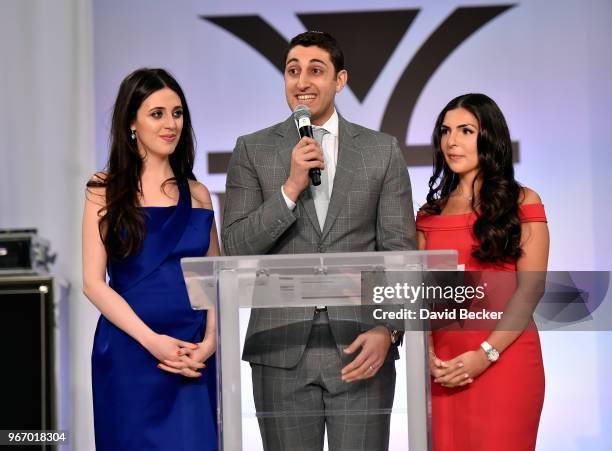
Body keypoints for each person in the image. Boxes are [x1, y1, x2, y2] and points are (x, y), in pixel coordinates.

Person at [222, 31, 415, 451]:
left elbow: (400, 253)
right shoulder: (252, 150)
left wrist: (389, 328)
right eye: (293, 71)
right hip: (281, 348)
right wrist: (290, 189)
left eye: (316, 70)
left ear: (340, 80)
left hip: (362, 345)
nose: (302, 81)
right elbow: (234, 246)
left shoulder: (381, 151)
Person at [82, 68, 219, 451]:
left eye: (177, 113)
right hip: (130, 352)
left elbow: (216, 279)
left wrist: (210, 342)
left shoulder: (199, 194)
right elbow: (93, 282)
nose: (170, 123)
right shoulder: (103, 189)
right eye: (157, 113)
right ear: (132, 122)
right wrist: (152, 342)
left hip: (193, 355)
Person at [416, 93, 549, 451]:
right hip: (443, 369)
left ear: (489, 138)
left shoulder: (524, 202)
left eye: (465, 130)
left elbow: (530, 289)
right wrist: (427, 354)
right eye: (445, 131)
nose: (451, 141)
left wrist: (485, 353)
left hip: (505, 361)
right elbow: (423, 295)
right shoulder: (428, 215)